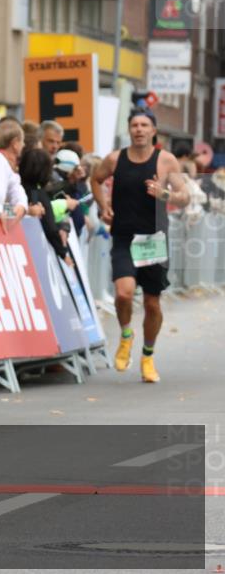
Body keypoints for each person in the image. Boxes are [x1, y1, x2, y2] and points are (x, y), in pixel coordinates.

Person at [90, 108, 189, 383]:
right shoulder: (115, 159)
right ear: (129, 129)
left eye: (145, 125)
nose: (139, 129)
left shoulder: (166, 161)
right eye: (135, 125)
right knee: (123, 294)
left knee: (152, 303)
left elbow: (185, 197)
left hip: (154, 239)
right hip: (123, 236)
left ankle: (147, 356)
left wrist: (165, 193)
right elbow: (95, 179)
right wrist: (103, 205)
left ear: (154, 131)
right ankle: (125, 335)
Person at [20, 148, 74, 265]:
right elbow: (50, 228)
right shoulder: (38, 194)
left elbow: (2, 210)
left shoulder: (15, 186)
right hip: (32, 252)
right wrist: (63, 253)